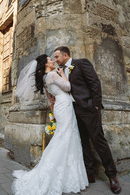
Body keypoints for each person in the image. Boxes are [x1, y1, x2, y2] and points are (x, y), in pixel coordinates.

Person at [12, 54, 88, 195]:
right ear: (46, 64)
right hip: (64, 105)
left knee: (64, 137)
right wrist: (62, 74)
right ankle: (59, 173)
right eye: (50, 60)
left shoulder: (45, 79)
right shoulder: (53, 75)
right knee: (66, 138)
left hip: (59, 107)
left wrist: (54, 114)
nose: (52, 61)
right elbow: (68, 87)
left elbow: (50, 100)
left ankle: (63, 173)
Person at [54, 46, 121, 194]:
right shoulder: (60, 71)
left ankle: (112, 176)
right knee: (83, 142)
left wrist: (95, 106)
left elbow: (95, 83)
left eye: (57, 57)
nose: (55, 60)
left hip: (89, 109)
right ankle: (89, 173)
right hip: (73, 111)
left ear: (66, 55)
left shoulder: (81, 63)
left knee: (98, 140)